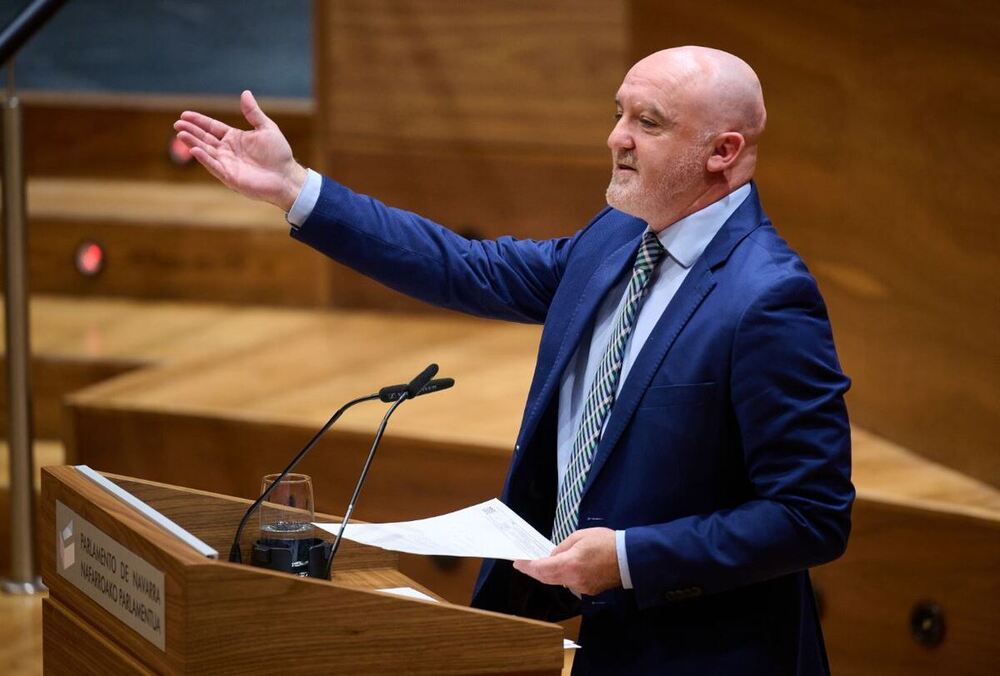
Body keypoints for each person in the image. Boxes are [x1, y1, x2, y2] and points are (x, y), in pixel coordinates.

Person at [175, 46, 854, 675]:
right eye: (618, 114)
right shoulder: (617, 237)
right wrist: (293, 187)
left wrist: (625, 559)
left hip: (705, 653)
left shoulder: (767, 298)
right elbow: (466, 267)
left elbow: (809, 515)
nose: (617, 137)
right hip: (583, 632)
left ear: (723, 151)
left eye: (648, 122)